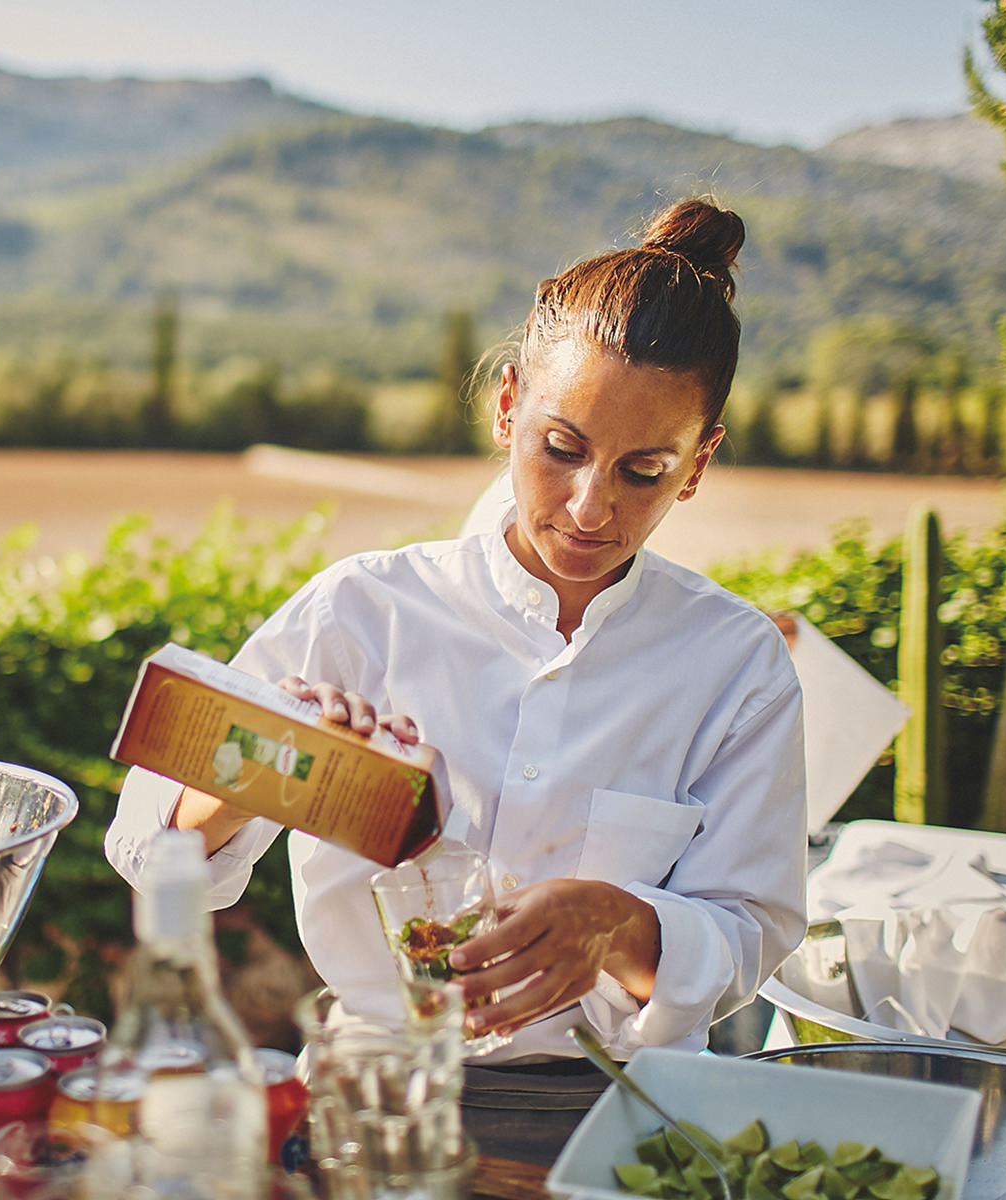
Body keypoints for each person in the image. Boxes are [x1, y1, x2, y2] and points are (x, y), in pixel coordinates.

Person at [105, 197, 807, 1156]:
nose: (590, 506)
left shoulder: (736, 664)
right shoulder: (360, 611)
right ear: (509, 405)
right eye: (562, 449)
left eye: (643, 471)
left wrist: (619, 925)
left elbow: (752, 930)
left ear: (698, 464)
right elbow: (149, 853)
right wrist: (282, 766)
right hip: (377, 1088)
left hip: (616, 1112)